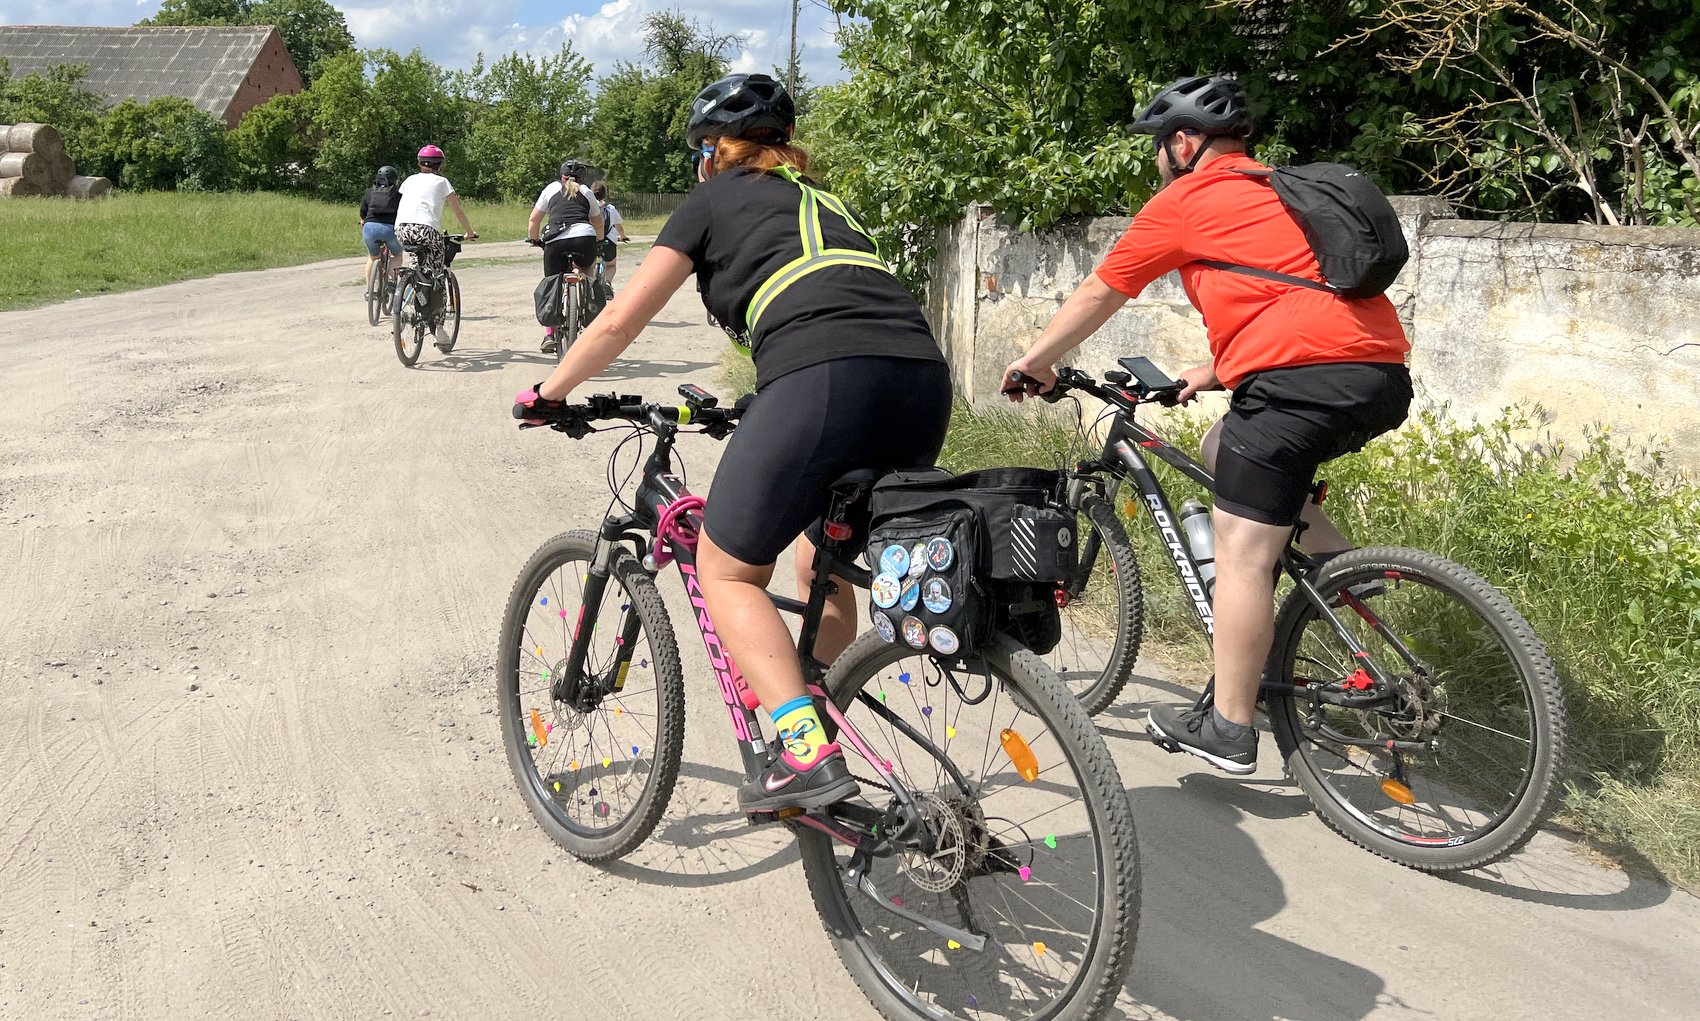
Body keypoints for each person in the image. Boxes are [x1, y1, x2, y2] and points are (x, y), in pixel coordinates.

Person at [515, 73, 952, 811]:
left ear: (715, 152)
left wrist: (549, 392)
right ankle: (809, 712)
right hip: (921, 383)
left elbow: (619, 319)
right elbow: (838, 302)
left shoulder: (713, 199)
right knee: (821, 561)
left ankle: (804, 754)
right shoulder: (826, 201)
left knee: (726, 569)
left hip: (822, 378)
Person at [1001, 74, 1413, 775]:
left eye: (1159, 147)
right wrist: (1214, 371)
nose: (1157, 161)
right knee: (1225, 445)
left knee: (1241, 555)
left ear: (1185, 142)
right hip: (1378, 375)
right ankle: (1343, 577)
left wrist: (1034, 361)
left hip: (1298, 387)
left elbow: (1102, 289)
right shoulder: (1279, 190)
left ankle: (1229, 726)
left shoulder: (1187, 200)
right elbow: (1296, 303)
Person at [395, 144, 477, 350]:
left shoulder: (409, 180)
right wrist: (469, 232)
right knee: (438, 275)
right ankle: (439, 329)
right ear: (440, 165)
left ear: (419, 163)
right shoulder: (442, 182)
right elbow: (458, 211)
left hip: (402, 230)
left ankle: (410, 292)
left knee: (418, 265)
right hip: (426, 231)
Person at [528, 159, 605, 354]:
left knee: (552, 282)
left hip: (556, 241)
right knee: (588, 276)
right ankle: (589, 326)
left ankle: (549, 335)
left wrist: (534, 239)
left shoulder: (551, 189)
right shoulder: (587, 192)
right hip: (584, 238)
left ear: (561, 175)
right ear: (582, 178)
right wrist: (599, 241)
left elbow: (534, 220)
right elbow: (598, 223)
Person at [359, 165, 402, 290]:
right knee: (397, 254)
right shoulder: (398, 193)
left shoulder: (370, 191)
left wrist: (363, 220)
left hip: (370, 229)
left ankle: (369, 290)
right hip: (390, 230)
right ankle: (391, 279)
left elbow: (363, 211)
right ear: (395, 179)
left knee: (372, 257)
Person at [591, 180, 631, 286]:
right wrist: (623, 236)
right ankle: (608, 283)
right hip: (608, 241)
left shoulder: (589, 207)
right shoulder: (610, 208)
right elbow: (619, 226)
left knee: (588, 265)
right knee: (611, 265)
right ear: (604, 194)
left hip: (591, 240)